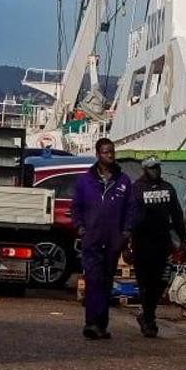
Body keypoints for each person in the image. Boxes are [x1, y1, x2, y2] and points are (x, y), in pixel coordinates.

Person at [70, 138, 135, 340]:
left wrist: (126, 232)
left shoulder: (123, 181)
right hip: (92, 238)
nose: (110, 155)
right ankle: (91, 323)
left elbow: (130, 209)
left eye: (112, 152)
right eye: (106, 152)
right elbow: (76, 207)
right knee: (93, 279)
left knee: (106, 282)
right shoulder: (85, 181)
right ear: (98, 154)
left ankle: (101, 324)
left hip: (113, 240)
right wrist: (81, 228)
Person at [127, 156, 186, 337]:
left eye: (158, 168)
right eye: (153, 168)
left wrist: (183, 240)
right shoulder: (136, 189)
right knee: (145, 283)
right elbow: (128, 218)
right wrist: (126, 244)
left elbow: (177, 214)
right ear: (145, 170)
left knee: (161, 282)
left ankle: (147, 314)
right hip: (142, 244)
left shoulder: (168, 188)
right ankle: (148, 319)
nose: (157, 171)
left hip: (163, 244)